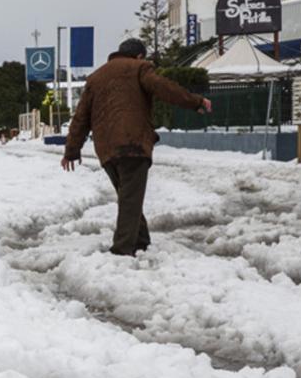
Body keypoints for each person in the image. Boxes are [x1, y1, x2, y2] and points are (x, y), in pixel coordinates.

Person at [61, 38, 211, 256]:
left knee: (129, 196)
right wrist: (195, 102)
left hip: (106, 149)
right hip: (132, 143)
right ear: (139, 56)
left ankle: (141, 241)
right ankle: (122, 250)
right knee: (130, 199)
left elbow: (81, 117)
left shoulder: (96, 77)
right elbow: (164, 88)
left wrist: (71, 151)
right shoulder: (139, 68)